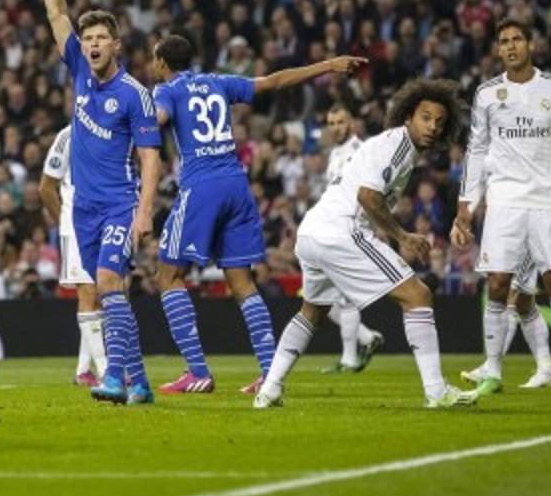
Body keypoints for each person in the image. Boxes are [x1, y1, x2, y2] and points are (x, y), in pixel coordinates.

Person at [149, 34, 366, 395]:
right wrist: (328, 65)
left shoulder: (166, 90)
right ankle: (269, 371)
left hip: (201, 186)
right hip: (237, 185)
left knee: (168, 275)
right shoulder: (219, 82)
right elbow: (275, 81)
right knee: (242, 283)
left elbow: (156, 120)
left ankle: (197, 371)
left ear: (161, 63)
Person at [255, 79, 478, 409]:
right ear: (408, 117)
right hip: (340, 230)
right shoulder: (399, 145)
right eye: (425, 118)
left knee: (312, 311)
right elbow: (367, 197)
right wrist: (402, 236)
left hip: (312, 232)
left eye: (439, 122)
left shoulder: (393, 147)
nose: (432, 127)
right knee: (418, 295)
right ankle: (436, 392)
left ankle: (270, 389)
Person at [41, 0, 161, 405]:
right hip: (83, 208)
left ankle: (113, 376)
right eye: (87, 37)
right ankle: (140, 382)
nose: (90, 44)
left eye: (100, 38)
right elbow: (55, 11)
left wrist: (144, 210)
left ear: (116, 45)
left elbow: (151, 157)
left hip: (117, 204)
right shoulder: (78, 70)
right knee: (111, 294)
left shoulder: (134, 95)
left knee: (110, 283)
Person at [452, 19, 551, 396]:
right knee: (498, 283)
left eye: (518, 39)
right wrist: (466, 203)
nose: (512, 46)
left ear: (531, 44)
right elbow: (477, 150)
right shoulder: (486, 94)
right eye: (504, 41)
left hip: (547, 199)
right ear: (498, 50)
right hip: (503, 202)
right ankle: (493, 373)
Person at [318, 104, 386, 375]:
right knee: (319, 297)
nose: (336, 127)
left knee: (344, 299)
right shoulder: (335, 154)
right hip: (332, 229)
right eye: (331, 123)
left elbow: (368, 192)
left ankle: (350, 359)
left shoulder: (361, 151)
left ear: (352, 123)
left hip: (352, 229)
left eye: (340, 122)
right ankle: (367, 338)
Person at [39, 125, 106, 387]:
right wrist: (64, 223)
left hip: (109, 220)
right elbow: (46, 187)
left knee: (106, 293)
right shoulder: (68, 135)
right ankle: (106, 370)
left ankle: (82, 371)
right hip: (76, 224)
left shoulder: (117, 127)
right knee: (88, 292)